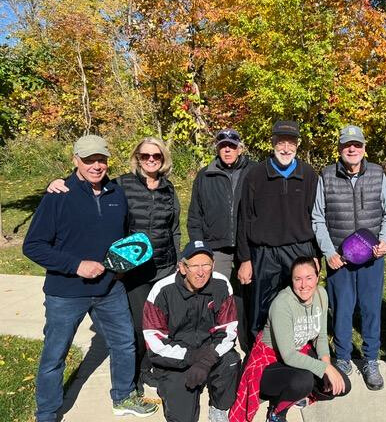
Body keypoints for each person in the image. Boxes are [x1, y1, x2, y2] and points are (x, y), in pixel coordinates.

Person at [23, 134, 157, 421]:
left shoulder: (116, 193)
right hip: (65, 293)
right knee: (54, 357)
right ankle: (46, 413)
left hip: (110, 289)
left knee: (123, 343)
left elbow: (122, 237)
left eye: (101, 159)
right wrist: (76, 265)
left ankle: (122, 397)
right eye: (89, 160)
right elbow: (32, 246)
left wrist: (121, 266)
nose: (96, 166)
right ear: (76, 161)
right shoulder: (58, 196)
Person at [47, 136, 181, 393]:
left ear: (163, 159)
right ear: (137, 158)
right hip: (132, 269)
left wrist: (175, 263)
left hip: (163, 267)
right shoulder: (121, 184)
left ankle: (145, 370)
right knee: (137, 328)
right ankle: (132, 379)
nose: (151, 160)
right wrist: (57, 182)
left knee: (158, 325)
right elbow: (87, 180)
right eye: (145, 156)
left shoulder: (168, 189)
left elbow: (174, 229)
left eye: (156, 156)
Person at [311, 125, 386, 390]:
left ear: (364, 149)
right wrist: (329, 252)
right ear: (339, 149)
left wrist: (384, 240)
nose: (352, 149)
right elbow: (318, 218)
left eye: (357, 145)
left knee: (371, 310)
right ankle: (344, 358)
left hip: (371, 258)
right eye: (347, 145)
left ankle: (371, 360)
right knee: (342, 311)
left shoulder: (378, 174)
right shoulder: (326, 176)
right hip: (340, 260)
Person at [229, 256, 351, 422]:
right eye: (297, 279)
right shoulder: (282, 304)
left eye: (309, 278)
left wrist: (327, 365)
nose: (304, 285)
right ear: (291, 280)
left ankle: (293, 393)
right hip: (270, 362)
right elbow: (288, 355)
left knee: (342, 386)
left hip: (298, 354)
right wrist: (325, 369)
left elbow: (321, 337)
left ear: (317, 277)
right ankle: (276, 412)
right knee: (304, 381)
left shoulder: (321, 295)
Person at [236, 120, 319, 337]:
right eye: (281, 142)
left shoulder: (308, 174)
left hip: (299, 250)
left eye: (291, 143)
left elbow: (317, 217)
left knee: (302, 303)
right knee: (262, 307)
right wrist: (245, 259)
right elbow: (244, 218)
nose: (286, 148)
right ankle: (261, 355)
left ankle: (302, 352)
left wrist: (316, 255)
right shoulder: (255, 175)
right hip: (265, 252)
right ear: (272, 143)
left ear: (297, 145)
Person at [143, 240, 241, 422]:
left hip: (209, 351)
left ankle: (218, 408)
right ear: (182, 267)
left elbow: (228, 330)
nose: (201, 271)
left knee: (231, 361)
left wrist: (207, 360)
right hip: (175, 359)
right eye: (194, 266)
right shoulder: (161, 291)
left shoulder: (221, 284)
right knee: (182, 418)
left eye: (206, 265)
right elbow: (155, 342)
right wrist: (193, 358)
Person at [188, 128, 255, 280]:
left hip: (248, 244)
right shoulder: (205, 176)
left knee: (250, 291)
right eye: (223, 146)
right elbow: (195, 216)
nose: (227, 150)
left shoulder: (254, 171)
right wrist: (199, 248)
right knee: (217, 289)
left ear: (240, 149)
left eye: (231, 146)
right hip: (217, 245)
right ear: (217, 149)